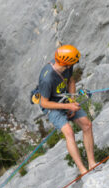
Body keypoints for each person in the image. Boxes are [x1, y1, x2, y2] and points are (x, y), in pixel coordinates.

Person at [36, 44, 97, 176]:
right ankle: (83, 170)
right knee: (69, 133)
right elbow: (44, 103)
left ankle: (92, 163)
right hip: (53, 107)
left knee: (87, 125)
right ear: (67, 63)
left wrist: (72, 101)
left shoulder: (67, 66)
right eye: (74, 62)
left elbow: (71, 81)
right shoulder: (47, 79)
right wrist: (68, 106)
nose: (75, 63)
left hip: (65, 100)